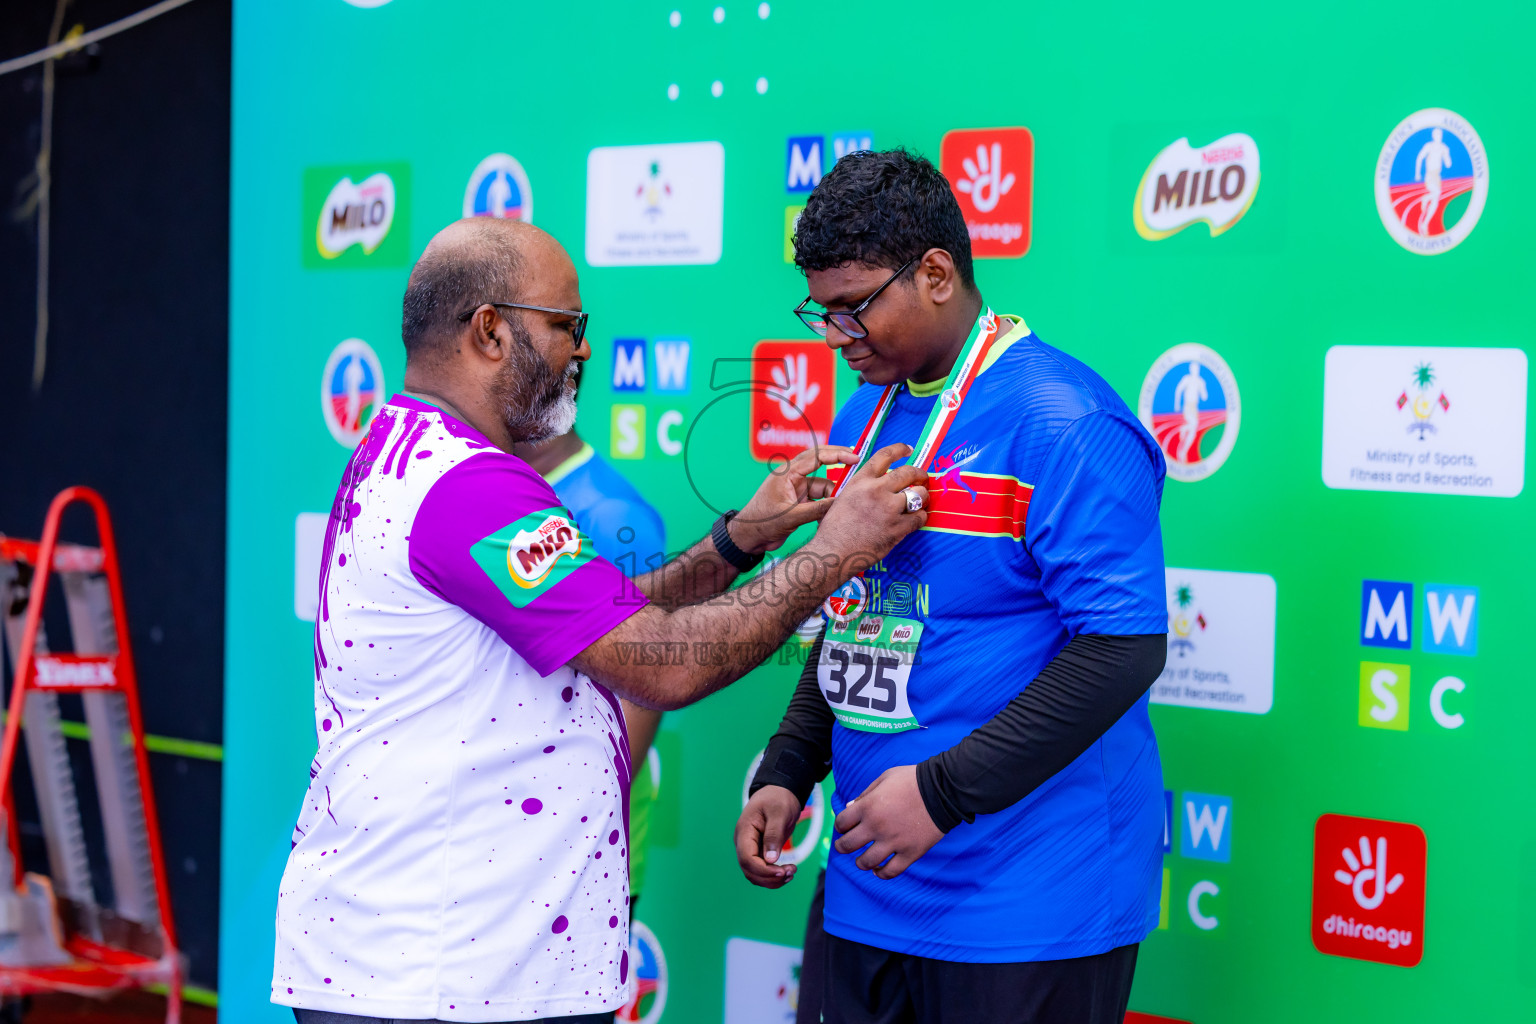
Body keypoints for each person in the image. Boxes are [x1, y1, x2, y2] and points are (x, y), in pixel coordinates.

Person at [272, 216, 929, 1024]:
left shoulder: (413, 450)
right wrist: (833, 554)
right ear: (489, 331)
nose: (584, 350)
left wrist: (740, 540)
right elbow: (663, 665)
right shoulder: (470, 489)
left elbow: (600, 618)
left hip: (442, 962)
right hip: (445, 977)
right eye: (567, 326)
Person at [735, 149, 1169, 1024]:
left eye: (853, 308)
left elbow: (1124, 648)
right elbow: (857, 615)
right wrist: (789, 766)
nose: (833, 336)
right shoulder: (869, 410)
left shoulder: (1066, 420)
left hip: (1028, 900)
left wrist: (940, 793)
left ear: (936, 273)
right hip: (870, 883)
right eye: (820, 312)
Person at [512, 371, 668, 923]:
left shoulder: (611, 514)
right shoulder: (497, 492)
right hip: (509, 842)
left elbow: (644, 692)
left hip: (583, 852)